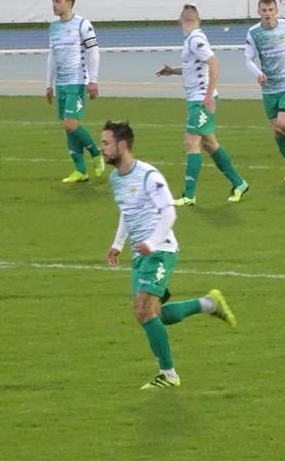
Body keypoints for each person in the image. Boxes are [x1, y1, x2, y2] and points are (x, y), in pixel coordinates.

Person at [101, 120, 236, 390]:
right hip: (142, 254)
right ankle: (209, 304)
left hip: (160, 250)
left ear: (122, 145)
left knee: (143, 310)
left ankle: (169, 374)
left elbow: (169, 212)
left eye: (106, 143)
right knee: (154, 314)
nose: (101, 148)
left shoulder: (148, 176)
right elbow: (127, 211)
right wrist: (117, 244)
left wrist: (152, 243)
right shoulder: (116, 178)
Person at [157, 4, 249, 205]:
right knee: (209, 144)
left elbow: (215, 63)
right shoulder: (193, 39)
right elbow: (194, 67)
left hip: (201, 100)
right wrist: (173, 71)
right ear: (198, 20)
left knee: (191, 142)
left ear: (180, 21)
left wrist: (208, 96)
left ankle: (188, 195)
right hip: (197, 98)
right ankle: (239, 183)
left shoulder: (195, 39)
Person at [244, 0, 285, 181]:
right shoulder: (254, 33)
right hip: (269, 87)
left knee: (283, 123)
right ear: (258, 12)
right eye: (264, 10)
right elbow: (248, 59)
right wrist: (258, 73)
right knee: (277, 131)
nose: (267, 14)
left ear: (276, 11)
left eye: (270, 10)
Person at [46, 0, 105, 183]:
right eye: (53, 1)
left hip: (77, 81)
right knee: (69, 127)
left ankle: (96, 153)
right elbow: (52, 56)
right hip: (61, 84)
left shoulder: (82, 24)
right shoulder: (53, 27)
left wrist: (93, 80)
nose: (54, 5)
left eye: (58, 1)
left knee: (70, 124)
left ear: (69, 3)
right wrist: (49, 84)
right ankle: (80, 171)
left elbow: (93, 51)